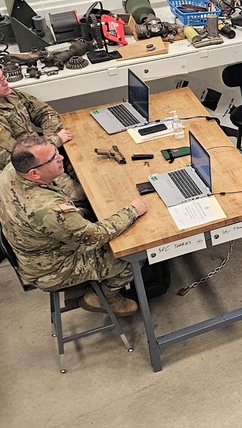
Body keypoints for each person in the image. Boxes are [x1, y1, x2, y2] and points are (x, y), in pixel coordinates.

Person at [0, 135, 147, 316]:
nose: (60, 157)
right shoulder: (46, 209)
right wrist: (132, 211)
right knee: (133, 254)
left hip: (36, 250)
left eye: (56, 152)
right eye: (53, 159)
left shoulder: (10, 171)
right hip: (54, 268)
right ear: (34, 174)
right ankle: (105, 297)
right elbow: (95, 235)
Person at [0, 67, 74, 173]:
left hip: (45, 155)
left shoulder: (10, 95)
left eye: (3, 77)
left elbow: (45, 112)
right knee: (81, 187)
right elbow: (15, 160)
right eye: (0, 81)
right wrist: (53, 142)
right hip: (25, 173)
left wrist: (49, 137)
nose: (5, 82)